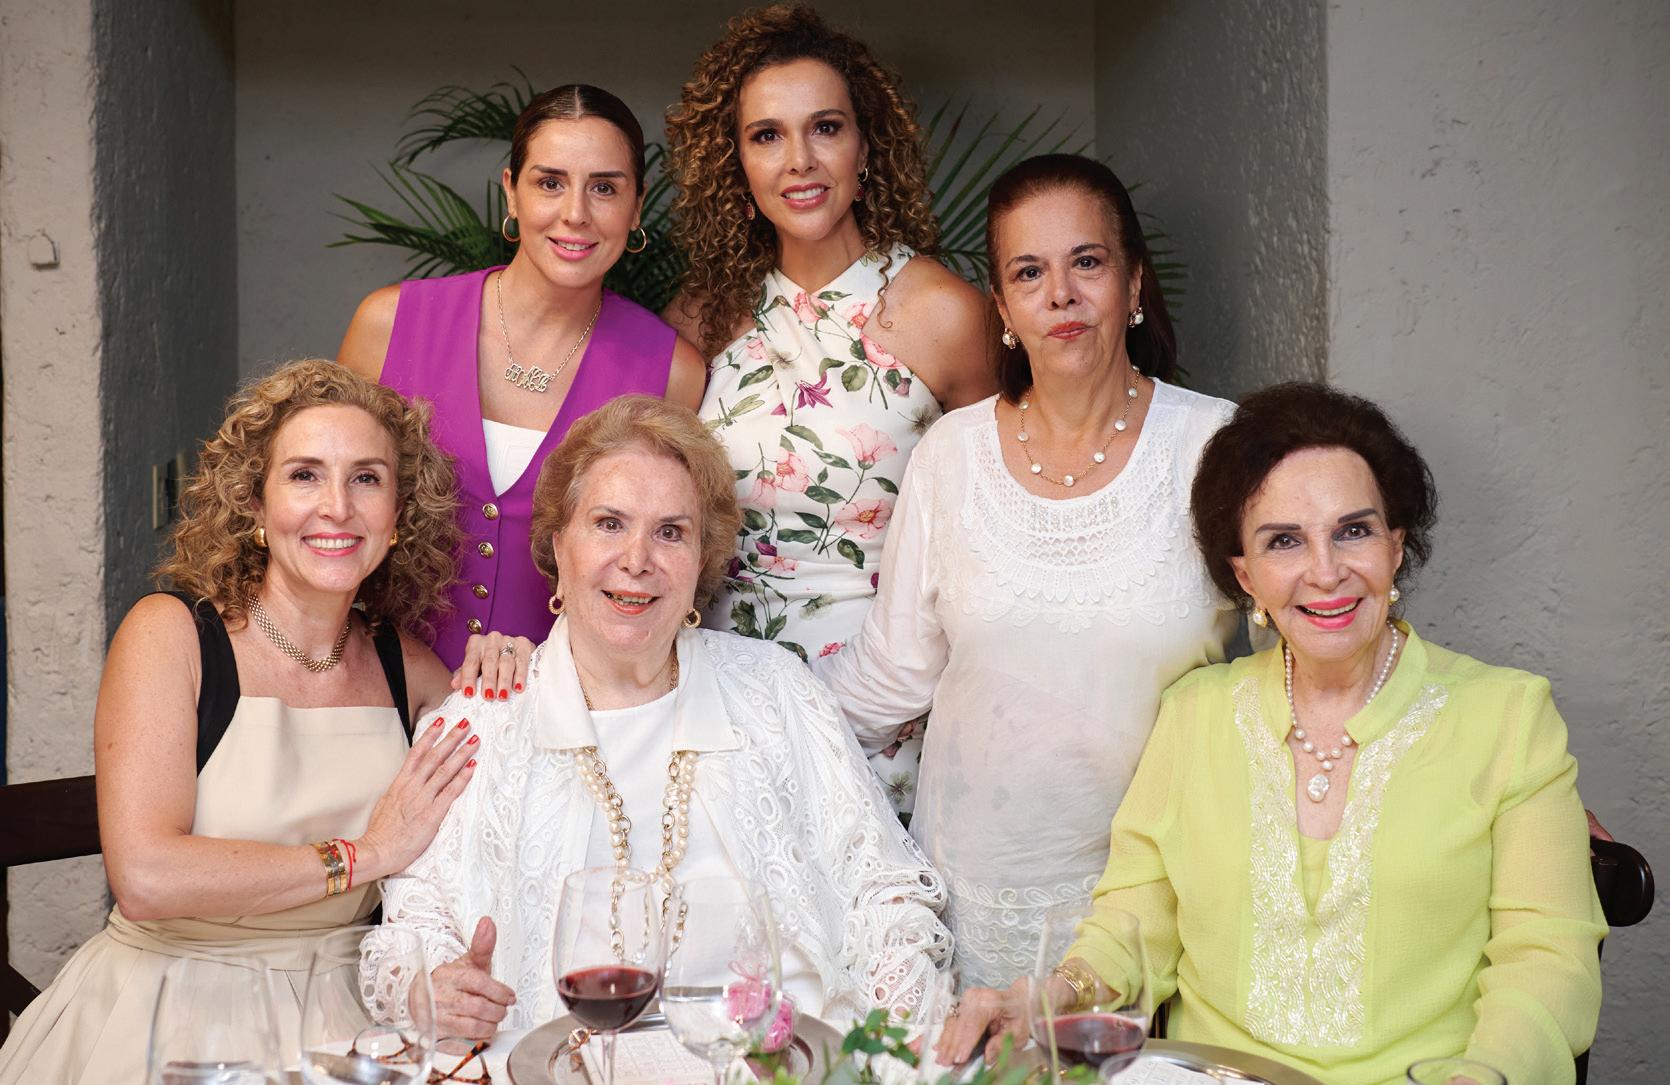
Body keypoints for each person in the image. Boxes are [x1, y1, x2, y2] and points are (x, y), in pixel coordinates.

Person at [939, 383, 1606, 1085]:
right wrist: (1053, 995)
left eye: (1354, 531)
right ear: (1246, 577)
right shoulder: (1194, 715)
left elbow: (1547, 960)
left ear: (1396, 545)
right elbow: (1137, 920)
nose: (1326, 571)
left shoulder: (1510, 718)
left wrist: (1484, 1075)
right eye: (1284, 541)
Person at [361, 396, 951, 1040]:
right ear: (559, 544)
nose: (637, 559)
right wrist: (433, 987)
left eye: (670, 532)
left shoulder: (777, 690)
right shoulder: (483, 720)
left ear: (701, 558)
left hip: (777, 1065)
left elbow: (885, 896)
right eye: (609, 523)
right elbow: (412, 929)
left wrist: (886, 1046)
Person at [810, 154, 1241, 986]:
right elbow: (892, 674)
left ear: (1134, 281)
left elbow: (1297, 650)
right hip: (969, 908)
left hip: (1153, 910)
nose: (1061, 294)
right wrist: (728, 706)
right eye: (1029, 272)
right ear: (1003, 308)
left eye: (1088, 262)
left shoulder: (1214, 447)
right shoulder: (952, 453)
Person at [0, 361, 487, 1083]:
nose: (337, 507)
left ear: (397, 515)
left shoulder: (408, 669)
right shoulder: (172, 635)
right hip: (167, 1010)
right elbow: (146, 876)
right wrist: (366, 854)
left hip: (353, 1021)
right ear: (254, 504)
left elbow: (496, 828)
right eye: (304, 475)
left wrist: (512, 675)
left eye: (366, 478)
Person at [662, 4, 997, 816]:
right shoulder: (699, 321)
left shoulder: (945, 314)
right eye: (767, 136)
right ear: (736, 162)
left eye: (826, 128)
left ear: (865, 146)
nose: (800, 161)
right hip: (721, 716)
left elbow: (991, 539)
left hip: (886, 724)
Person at [341, 84, 708, 671]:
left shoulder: (671, 372)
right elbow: (329, 513)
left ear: (637, 207)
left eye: (605, 188)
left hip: (566, 703)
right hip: (385, 688)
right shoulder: (389, 324)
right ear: (511, 191)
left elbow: (666, 558)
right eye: (550, 183)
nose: (576, 214)